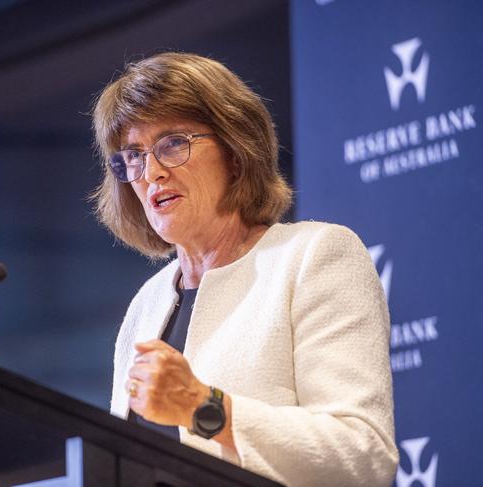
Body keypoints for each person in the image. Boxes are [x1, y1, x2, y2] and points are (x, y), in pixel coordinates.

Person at [91, 52, 398, 487]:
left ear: (235, 151)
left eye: (173, 143)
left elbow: (361, 455)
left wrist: (203, 407)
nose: (152, 172)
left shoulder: (314, 257)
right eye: (135, 155)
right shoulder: (147, 305)